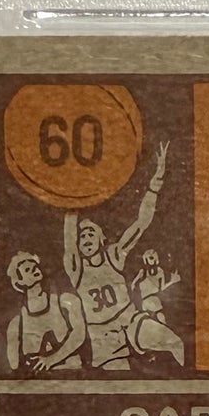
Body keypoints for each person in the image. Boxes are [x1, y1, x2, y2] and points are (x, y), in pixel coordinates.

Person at [64, 140, 180, 369]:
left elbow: (142, 222)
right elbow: (68, 236)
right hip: (104, 336)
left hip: (130, 321)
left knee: (175, 343)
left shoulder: (114, 255)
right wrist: (72, 191)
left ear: (102, 239)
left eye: (91, 233)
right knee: (120, 379)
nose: (85, 238)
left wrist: (156, 182)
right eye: (82, 236)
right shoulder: (76, 268)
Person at [2, 252, 85, 375]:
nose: (34, 269)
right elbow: (14, 364)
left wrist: (52, 360)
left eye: (35, 266)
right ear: (20, 282)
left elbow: (79, 334)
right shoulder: (17, 323)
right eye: (27, 270)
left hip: (69, 374)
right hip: (38, 381)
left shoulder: (65, 301)